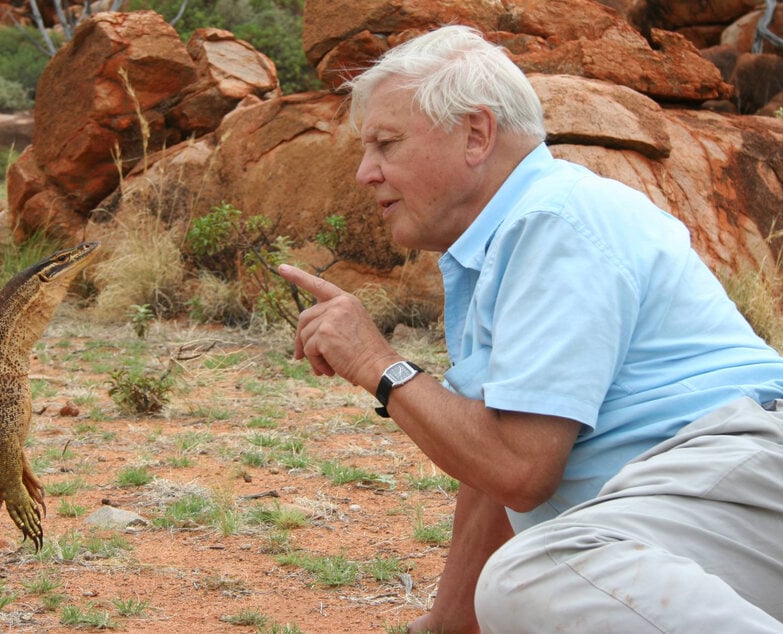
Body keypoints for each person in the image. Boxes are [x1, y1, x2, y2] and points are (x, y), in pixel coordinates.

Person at [278, 24, 783, 633]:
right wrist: (445, 626)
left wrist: (380, 365)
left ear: (476, 133)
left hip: (737, 476)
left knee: (533, 580)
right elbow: (491, 463)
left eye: (386, 144)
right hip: (699, 496)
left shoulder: (553, 222)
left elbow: (519, 468)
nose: (366, 172)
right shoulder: (505, 237)